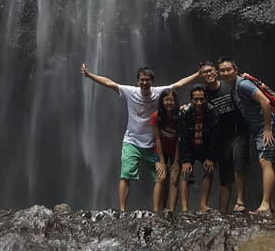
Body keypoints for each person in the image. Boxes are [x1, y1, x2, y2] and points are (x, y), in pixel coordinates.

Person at [81, 64, 199, 211]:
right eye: (142, 80)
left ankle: (159, 211)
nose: (144, 82)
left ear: (152, 81)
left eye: (147, 80)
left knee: (161, 178)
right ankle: (122, 211)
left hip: (151, 144)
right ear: (137, 81)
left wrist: (197, 74)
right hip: (131, 141)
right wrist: (89, 75)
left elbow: (179, 84)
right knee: (125, 175)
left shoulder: (158, 92)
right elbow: (109, 83)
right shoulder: (130, 92)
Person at [230, 59, 275, 213]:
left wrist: (267, 129)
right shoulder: (234, 88)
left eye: (228, 69)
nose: (226, 73)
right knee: (269, 165)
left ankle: (265, 206)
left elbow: (265, 102)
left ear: (235, 69)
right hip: (259, 129)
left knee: (265, 161)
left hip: (268, 127)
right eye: (222, 70)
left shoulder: (242, 84)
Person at [201, 59, 249, 213]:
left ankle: (240, 201)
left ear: (216, 72)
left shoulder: (229, 85)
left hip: (238, 133)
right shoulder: (204, 94)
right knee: (225, 176)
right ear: (201, 75)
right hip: (221, 139)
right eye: (204, 73)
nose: (208, 74)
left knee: (238, 162)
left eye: (210, 71)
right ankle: (223, 212)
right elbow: (198, 107)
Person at [178, 83, 221, 212]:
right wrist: (185, 160)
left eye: (201, 99)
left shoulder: (212, 112)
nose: (199, 102)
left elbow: (215, 136)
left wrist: (210, 157)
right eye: (195, 99)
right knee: (185, 172)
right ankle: (184, 208)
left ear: (205, 98)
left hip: (204, 147)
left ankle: (203, 204)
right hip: (190, 147)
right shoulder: (184, 113)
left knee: (210, 169)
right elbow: (182, 138)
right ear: (191, 99)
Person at [151, 88, 180, 212]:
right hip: (160, 151)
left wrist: (176, 162)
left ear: (175, 101)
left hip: (175, 151)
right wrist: (162, 162)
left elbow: (180, 139)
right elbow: (157, 139)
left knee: (174, 178)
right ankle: (156, 211)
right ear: (161, 101)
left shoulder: (179, 116)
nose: (169, 102)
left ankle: (171, 211)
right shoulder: (157, 116)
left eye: (171, 100)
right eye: (166, 100)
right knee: (161, 177)